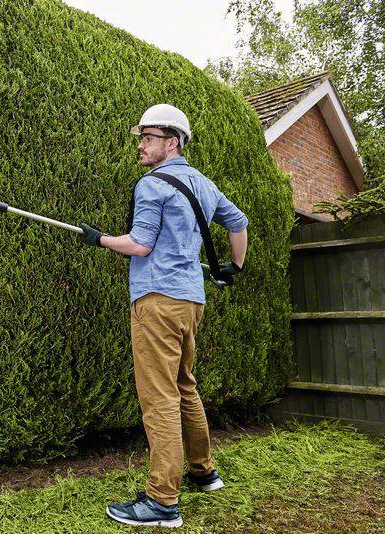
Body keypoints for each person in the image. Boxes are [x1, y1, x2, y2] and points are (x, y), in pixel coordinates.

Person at [78, 104, 249, 528]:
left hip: (156, 300)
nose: (141, 145)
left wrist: (98, 239)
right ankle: (204, 472)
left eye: (148, 138)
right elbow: (238, 221)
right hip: (192, 302)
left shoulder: (151, 185)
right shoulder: (204, 184)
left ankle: (162, 502)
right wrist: (234, 268)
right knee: (184, 386)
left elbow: (139, 245)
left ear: (171, 142)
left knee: (159, 398)